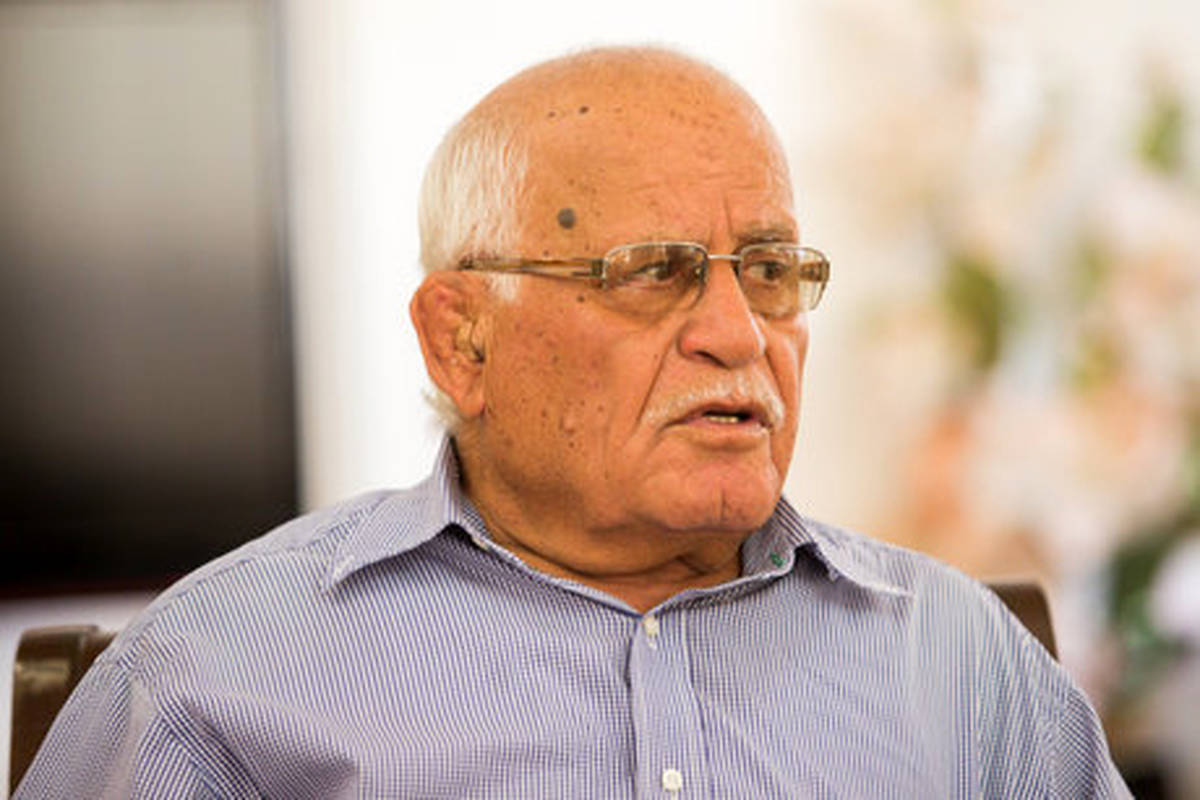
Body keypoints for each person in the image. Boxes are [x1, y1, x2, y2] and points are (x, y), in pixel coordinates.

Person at [16, 47, 1130, 798]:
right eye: (654, 272)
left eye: (771, 270)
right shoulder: (215, 677)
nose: (740, 333)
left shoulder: (960, 663)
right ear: (462, 340)